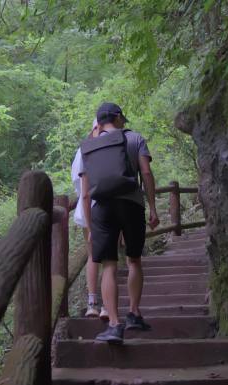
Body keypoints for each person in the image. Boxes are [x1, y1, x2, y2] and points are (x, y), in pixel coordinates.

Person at [80, 102, 159, 344]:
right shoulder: (135, 139)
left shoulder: (88, 147)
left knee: (109, 265)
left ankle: (114, 324)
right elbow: (145, 173)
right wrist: (153, 207)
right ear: (116, 117)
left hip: (102, 208)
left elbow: (85, 193)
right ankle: (134, 313)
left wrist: (91, 227)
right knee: (134, 259)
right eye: (122, 117)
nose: (124, 121)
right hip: (132, 205)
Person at [71, 119, 109, 320]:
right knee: (108, 258)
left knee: (94, 256)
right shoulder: (112, 146)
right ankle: (104, 304)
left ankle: (93, 303)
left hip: (88, 207)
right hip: (107, 206)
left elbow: (78, 183)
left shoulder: (84, 150)